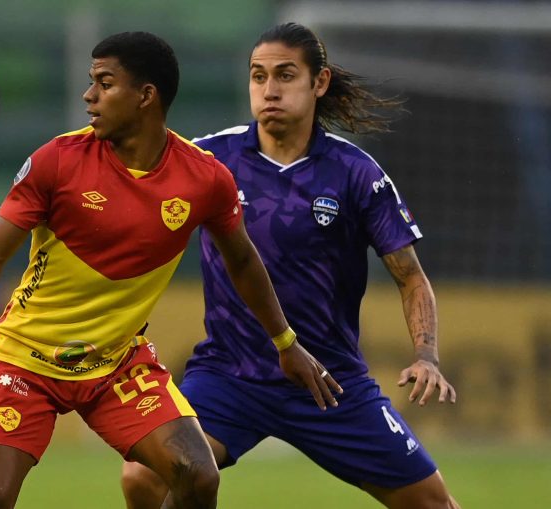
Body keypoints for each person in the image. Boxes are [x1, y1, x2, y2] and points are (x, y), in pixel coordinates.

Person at [0, 31, 340, 509]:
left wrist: (285, 342)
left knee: (198, 477)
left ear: (145, 96)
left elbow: (244, 260)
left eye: (104, 84)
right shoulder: (58, 161)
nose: (89, 96)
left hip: (116, 365)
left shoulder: (205, 178)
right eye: (90, 82)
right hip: (26, 360)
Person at [121, 22, 460, 509]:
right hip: (229, 375)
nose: (269, 90)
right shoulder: (209, 159)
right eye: (258, 77)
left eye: (284, 76)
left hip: (330, 383)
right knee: (142, 477)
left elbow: (411, 277)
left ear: (318, 83)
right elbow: (134, 218)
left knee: (434, 505)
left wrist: (426, 355)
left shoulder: (355, 173)